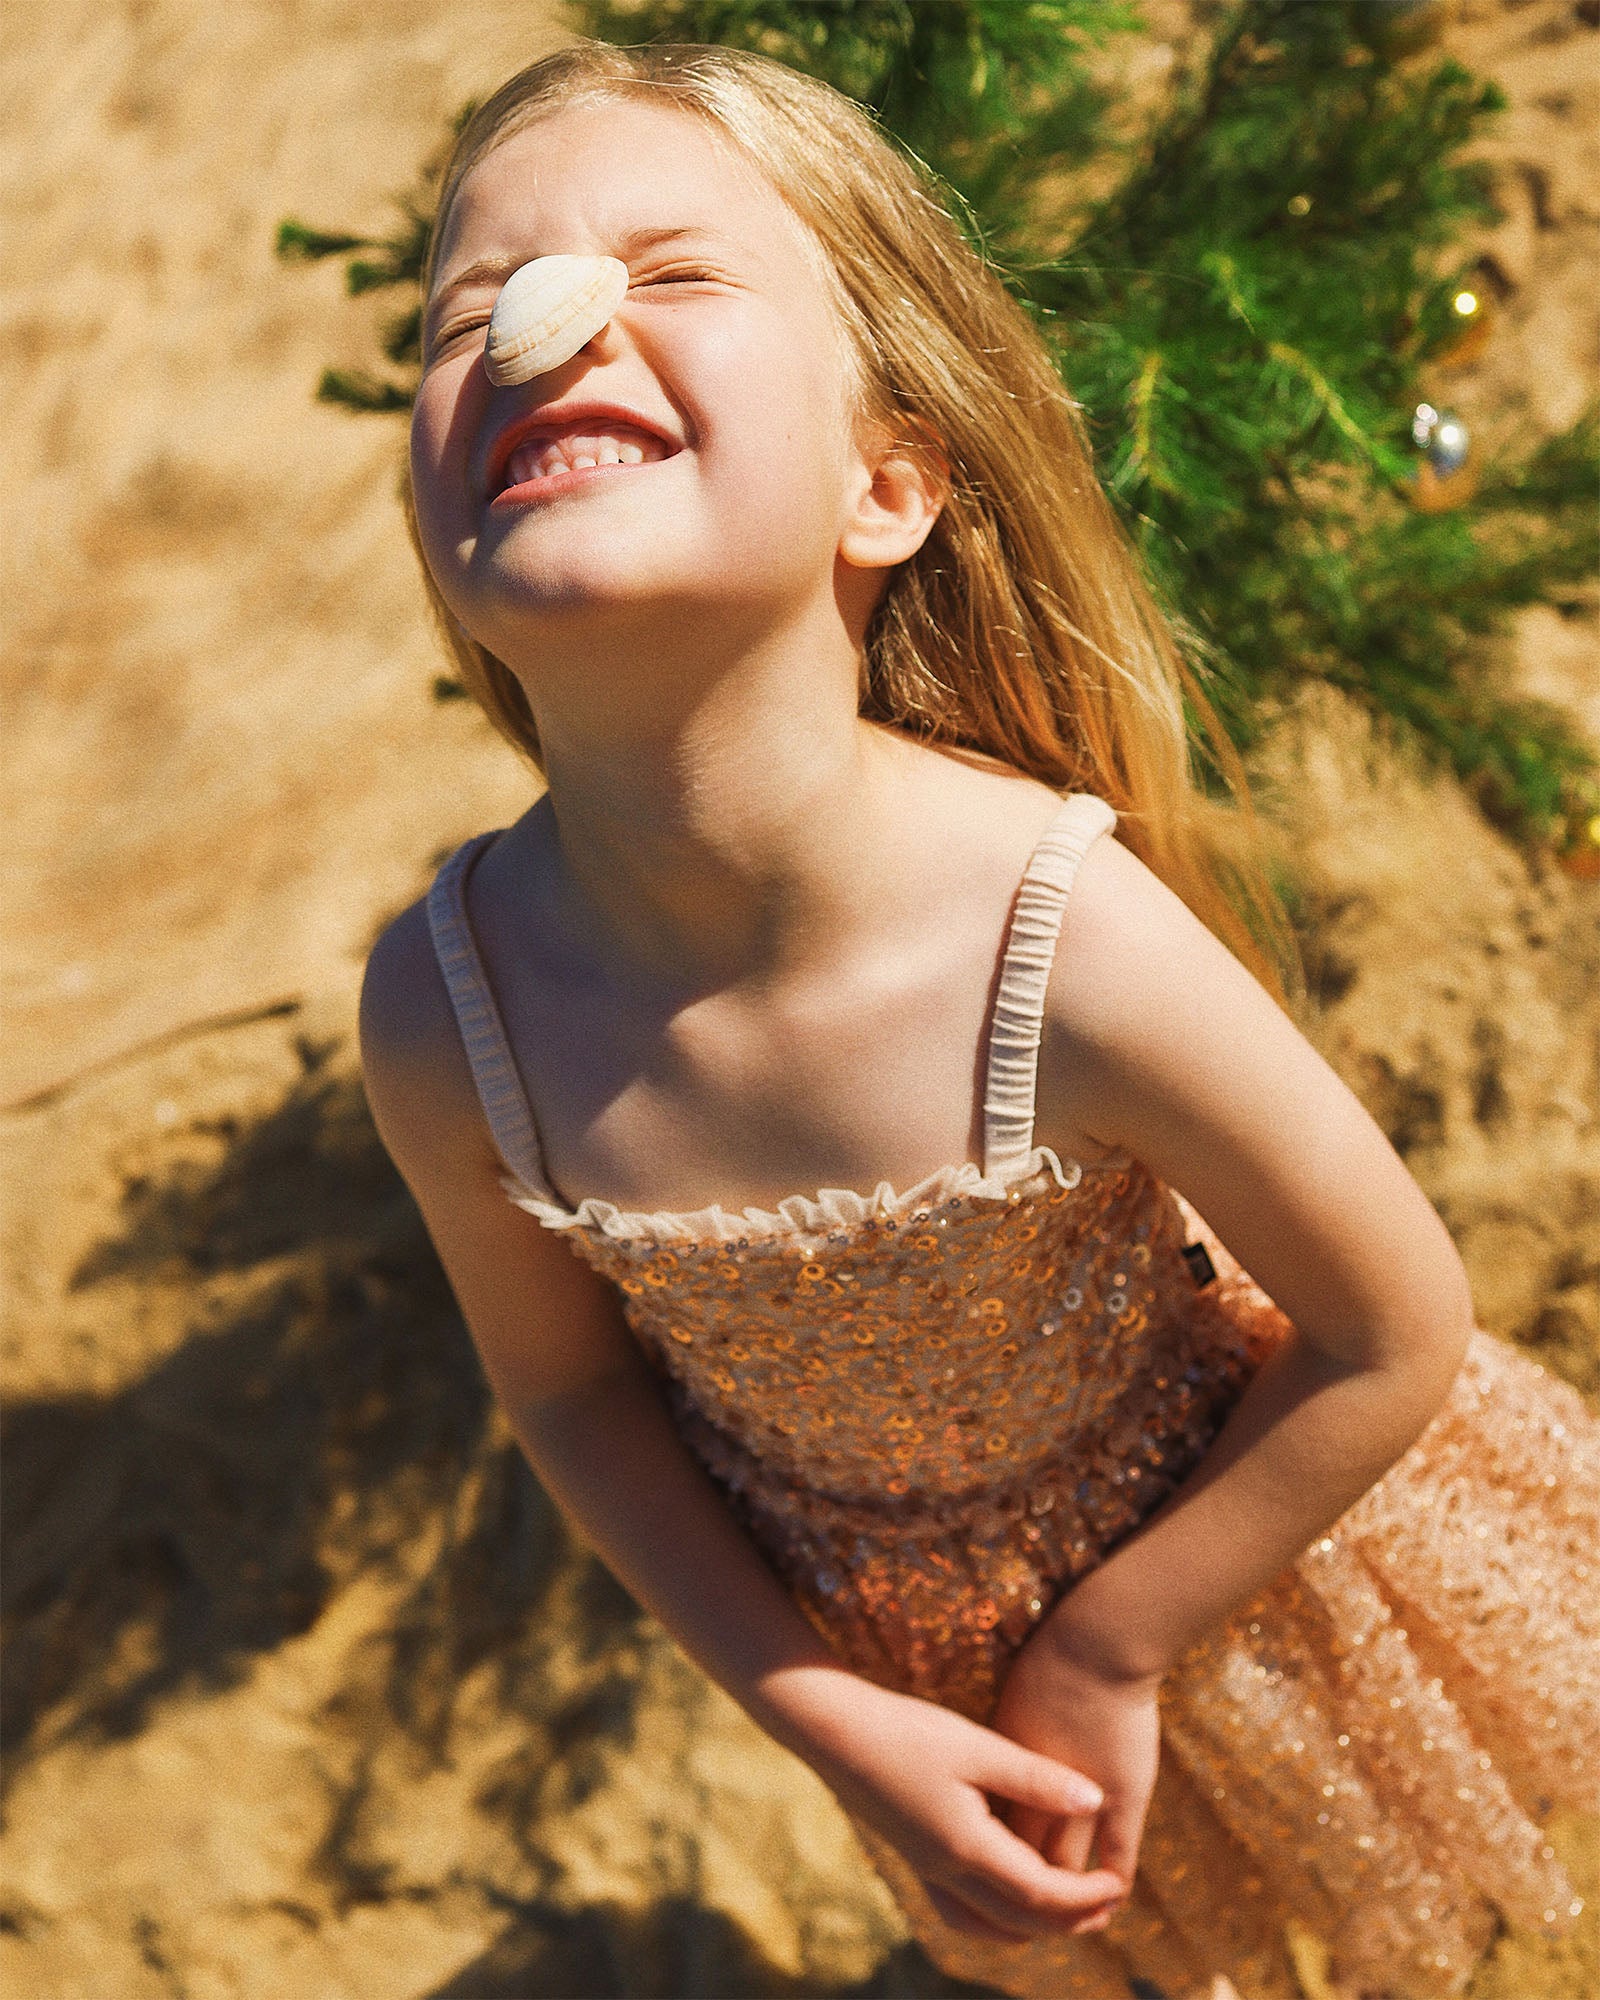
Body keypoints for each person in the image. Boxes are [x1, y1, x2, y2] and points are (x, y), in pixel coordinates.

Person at [358, 40, 1599, 2000]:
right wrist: (826, 1715)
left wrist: (1110, 1640)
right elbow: (575, 1395)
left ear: (887, 484)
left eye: (673, 273)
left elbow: (1393, 1326)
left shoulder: (1055, 936)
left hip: (1251, 1582)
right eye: (457, 314)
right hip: (897, 1679)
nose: (540, 320)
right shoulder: (451, 1014)